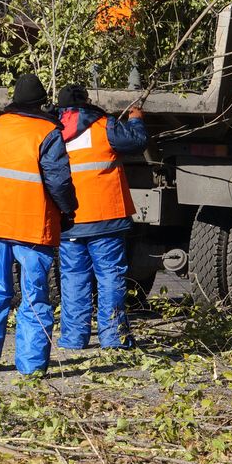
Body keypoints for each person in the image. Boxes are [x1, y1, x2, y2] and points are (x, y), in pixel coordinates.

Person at [0, 74, 77, 376]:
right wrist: (69, 211)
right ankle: (30, 367)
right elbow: (58, 180)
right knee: (34, 296)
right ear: (42, 101)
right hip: (32, 226)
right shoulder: (48, 132)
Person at [55, 83, 148, 351]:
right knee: (109, 278)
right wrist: (136, 119)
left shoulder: (52, 131)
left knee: (73, 279)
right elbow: (137, 143)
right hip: (106, 218)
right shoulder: (103, 126)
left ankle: (73, 339)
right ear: (86, 103)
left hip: (70, 221)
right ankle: (114, 338)